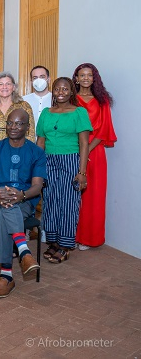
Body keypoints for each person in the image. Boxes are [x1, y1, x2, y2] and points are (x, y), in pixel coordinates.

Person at [0, 109, 45, 298]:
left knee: (3, 214)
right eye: (10, 123)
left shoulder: (36, 152)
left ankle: (6, 276)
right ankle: (24, 251)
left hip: (23, 200)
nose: (13, 127)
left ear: (27, 127)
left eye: (19, 124)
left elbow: (37, 186)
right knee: (4, 203)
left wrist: (21, 195)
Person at [36, 78, 92, 264]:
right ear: (53, 92)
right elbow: (40, 142)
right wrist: (37, 169)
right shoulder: (46, 113)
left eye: (65, 89)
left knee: (68, 202)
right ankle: (53, 241)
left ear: (71, 92)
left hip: (70, 160)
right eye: (57, 88)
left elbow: (84, 143)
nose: (61, 92)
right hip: (48, 161)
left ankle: (66, 245)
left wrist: (82, 172)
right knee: (50, 200)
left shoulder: (79, 112)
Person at [72, 63, 117, 250]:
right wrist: (80, 148)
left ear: (94, 78)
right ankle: (71, 235)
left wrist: (87, 148)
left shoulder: (102, 100)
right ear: (76, 78)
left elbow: (105, 128)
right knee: (72, 195)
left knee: (93, 196)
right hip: (72, 148)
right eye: (81, 75)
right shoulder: (70, 98)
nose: (85, 78)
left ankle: (89, 238)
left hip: (95, 151)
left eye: (89, 75)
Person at [0, 72, 35, 153]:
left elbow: (30, 133)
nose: (4, 87)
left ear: (13, 87)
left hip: (19, 155)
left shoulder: (24, 106)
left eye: (8, 84)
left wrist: (22, 153)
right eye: (1, 84)